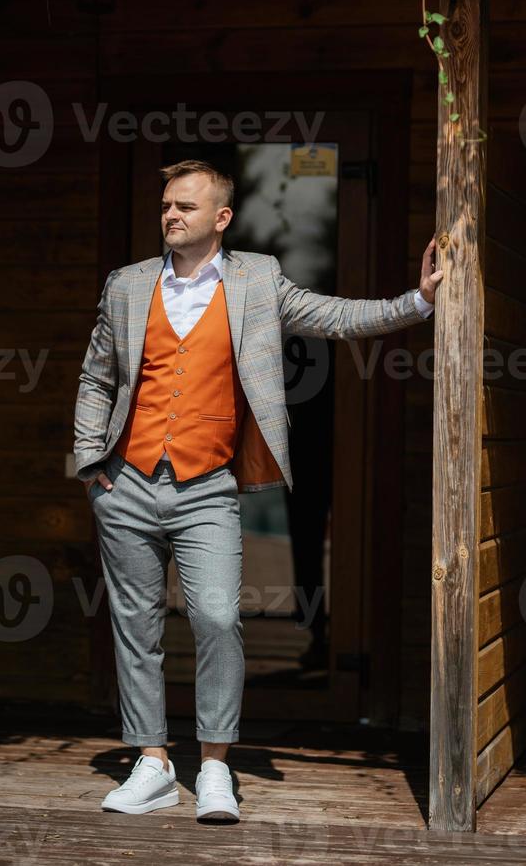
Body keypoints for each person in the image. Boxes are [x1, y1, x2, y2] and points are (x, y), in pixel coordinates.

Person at [73, 159, 442, 823]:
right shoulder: (126, 285)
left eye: (185, 206)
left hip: (206, 485)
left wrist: (416, 302)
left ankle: (214, 766)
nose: (170, 215)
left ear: (220, 218)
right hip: (124, 484)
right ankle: (152, 762)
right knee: (135, 627)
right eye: (165, 205)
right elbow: (97, 377)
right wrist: (89, 462)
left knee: (217, 618)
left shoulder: (257, 280)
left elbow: (330, 316)